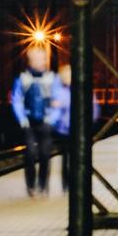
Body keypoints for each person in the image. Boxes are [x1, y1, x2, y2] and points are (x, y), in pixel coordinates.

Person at [10, 45, 58, 197]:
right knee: (30, 154)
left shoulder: (51, 79)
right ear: (30, 60)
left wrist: (52, 118)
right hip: (29, 123)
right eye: (35, 58)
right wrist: (22, 118)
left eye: (41, 58)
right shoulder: (23, 79)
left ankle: (43, 186)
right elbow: (17, 99)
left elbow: (57, 99)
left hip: (45, 121)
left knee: (45, 154)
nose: (39, 61)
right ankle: (31, 186)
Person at [50, 64, 96, 193]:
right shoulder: (59, 92)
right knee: (67, 159)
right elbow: (53, 111)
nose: (68, 77)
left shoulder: (83, 90)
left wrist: (88, 123)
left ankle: (79, 183)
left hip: (80, 130)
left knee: (79, 158)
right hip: (65, 131)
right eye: (65, 75)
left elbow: (94, 108)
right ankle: (67, 185)